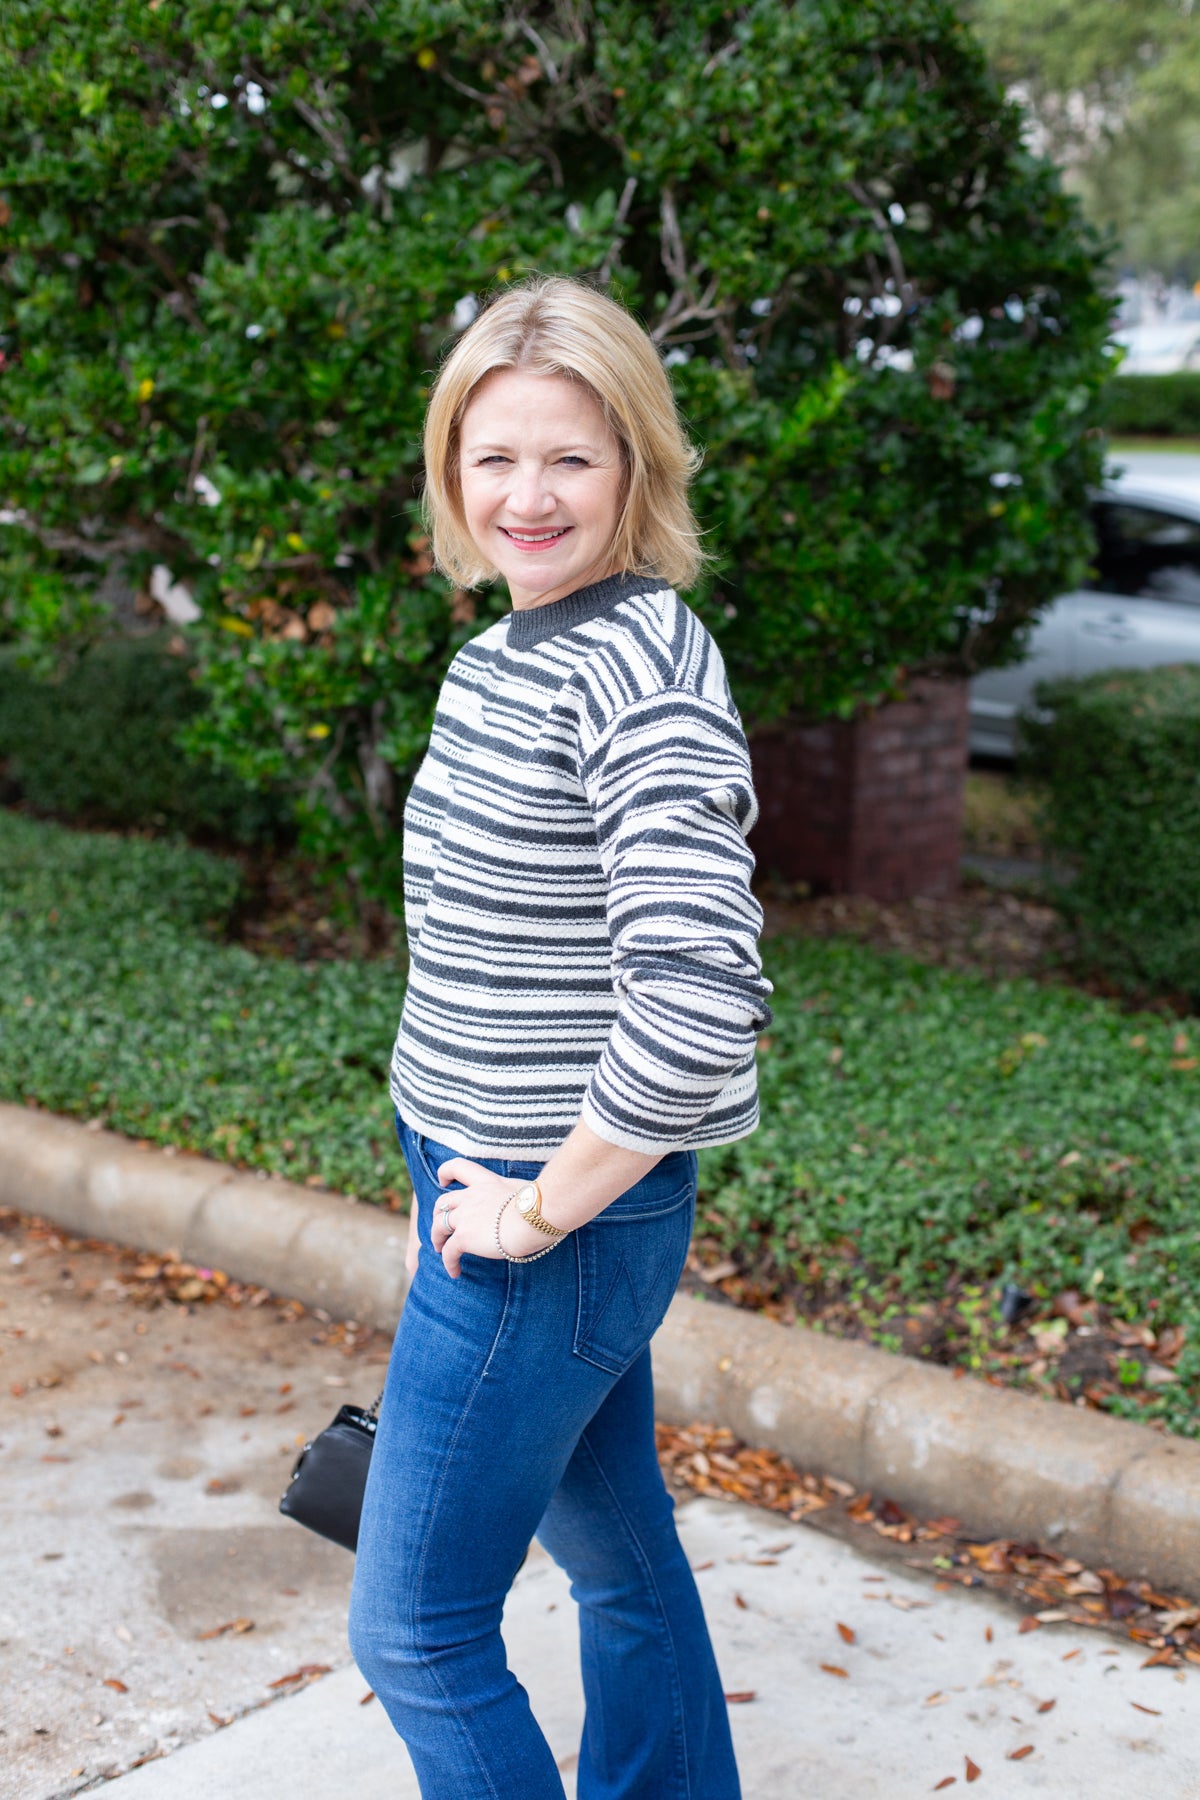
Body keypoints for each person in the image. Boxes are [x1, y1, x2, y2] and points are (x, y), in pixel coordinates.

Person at [348, 274, 772, 1800]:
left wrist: (533, 1208)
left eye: (572, 459)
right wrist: (449, 1179)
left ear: (638, 470)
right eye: (493, 456)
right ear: (451, 469)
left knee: (417, 1631)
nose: (527, 495)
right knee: (618, 1556)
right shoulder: (503, 651)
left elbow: (701, 999)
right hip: (489, 1186)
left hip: (553, 1214)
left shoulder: (641, 668)